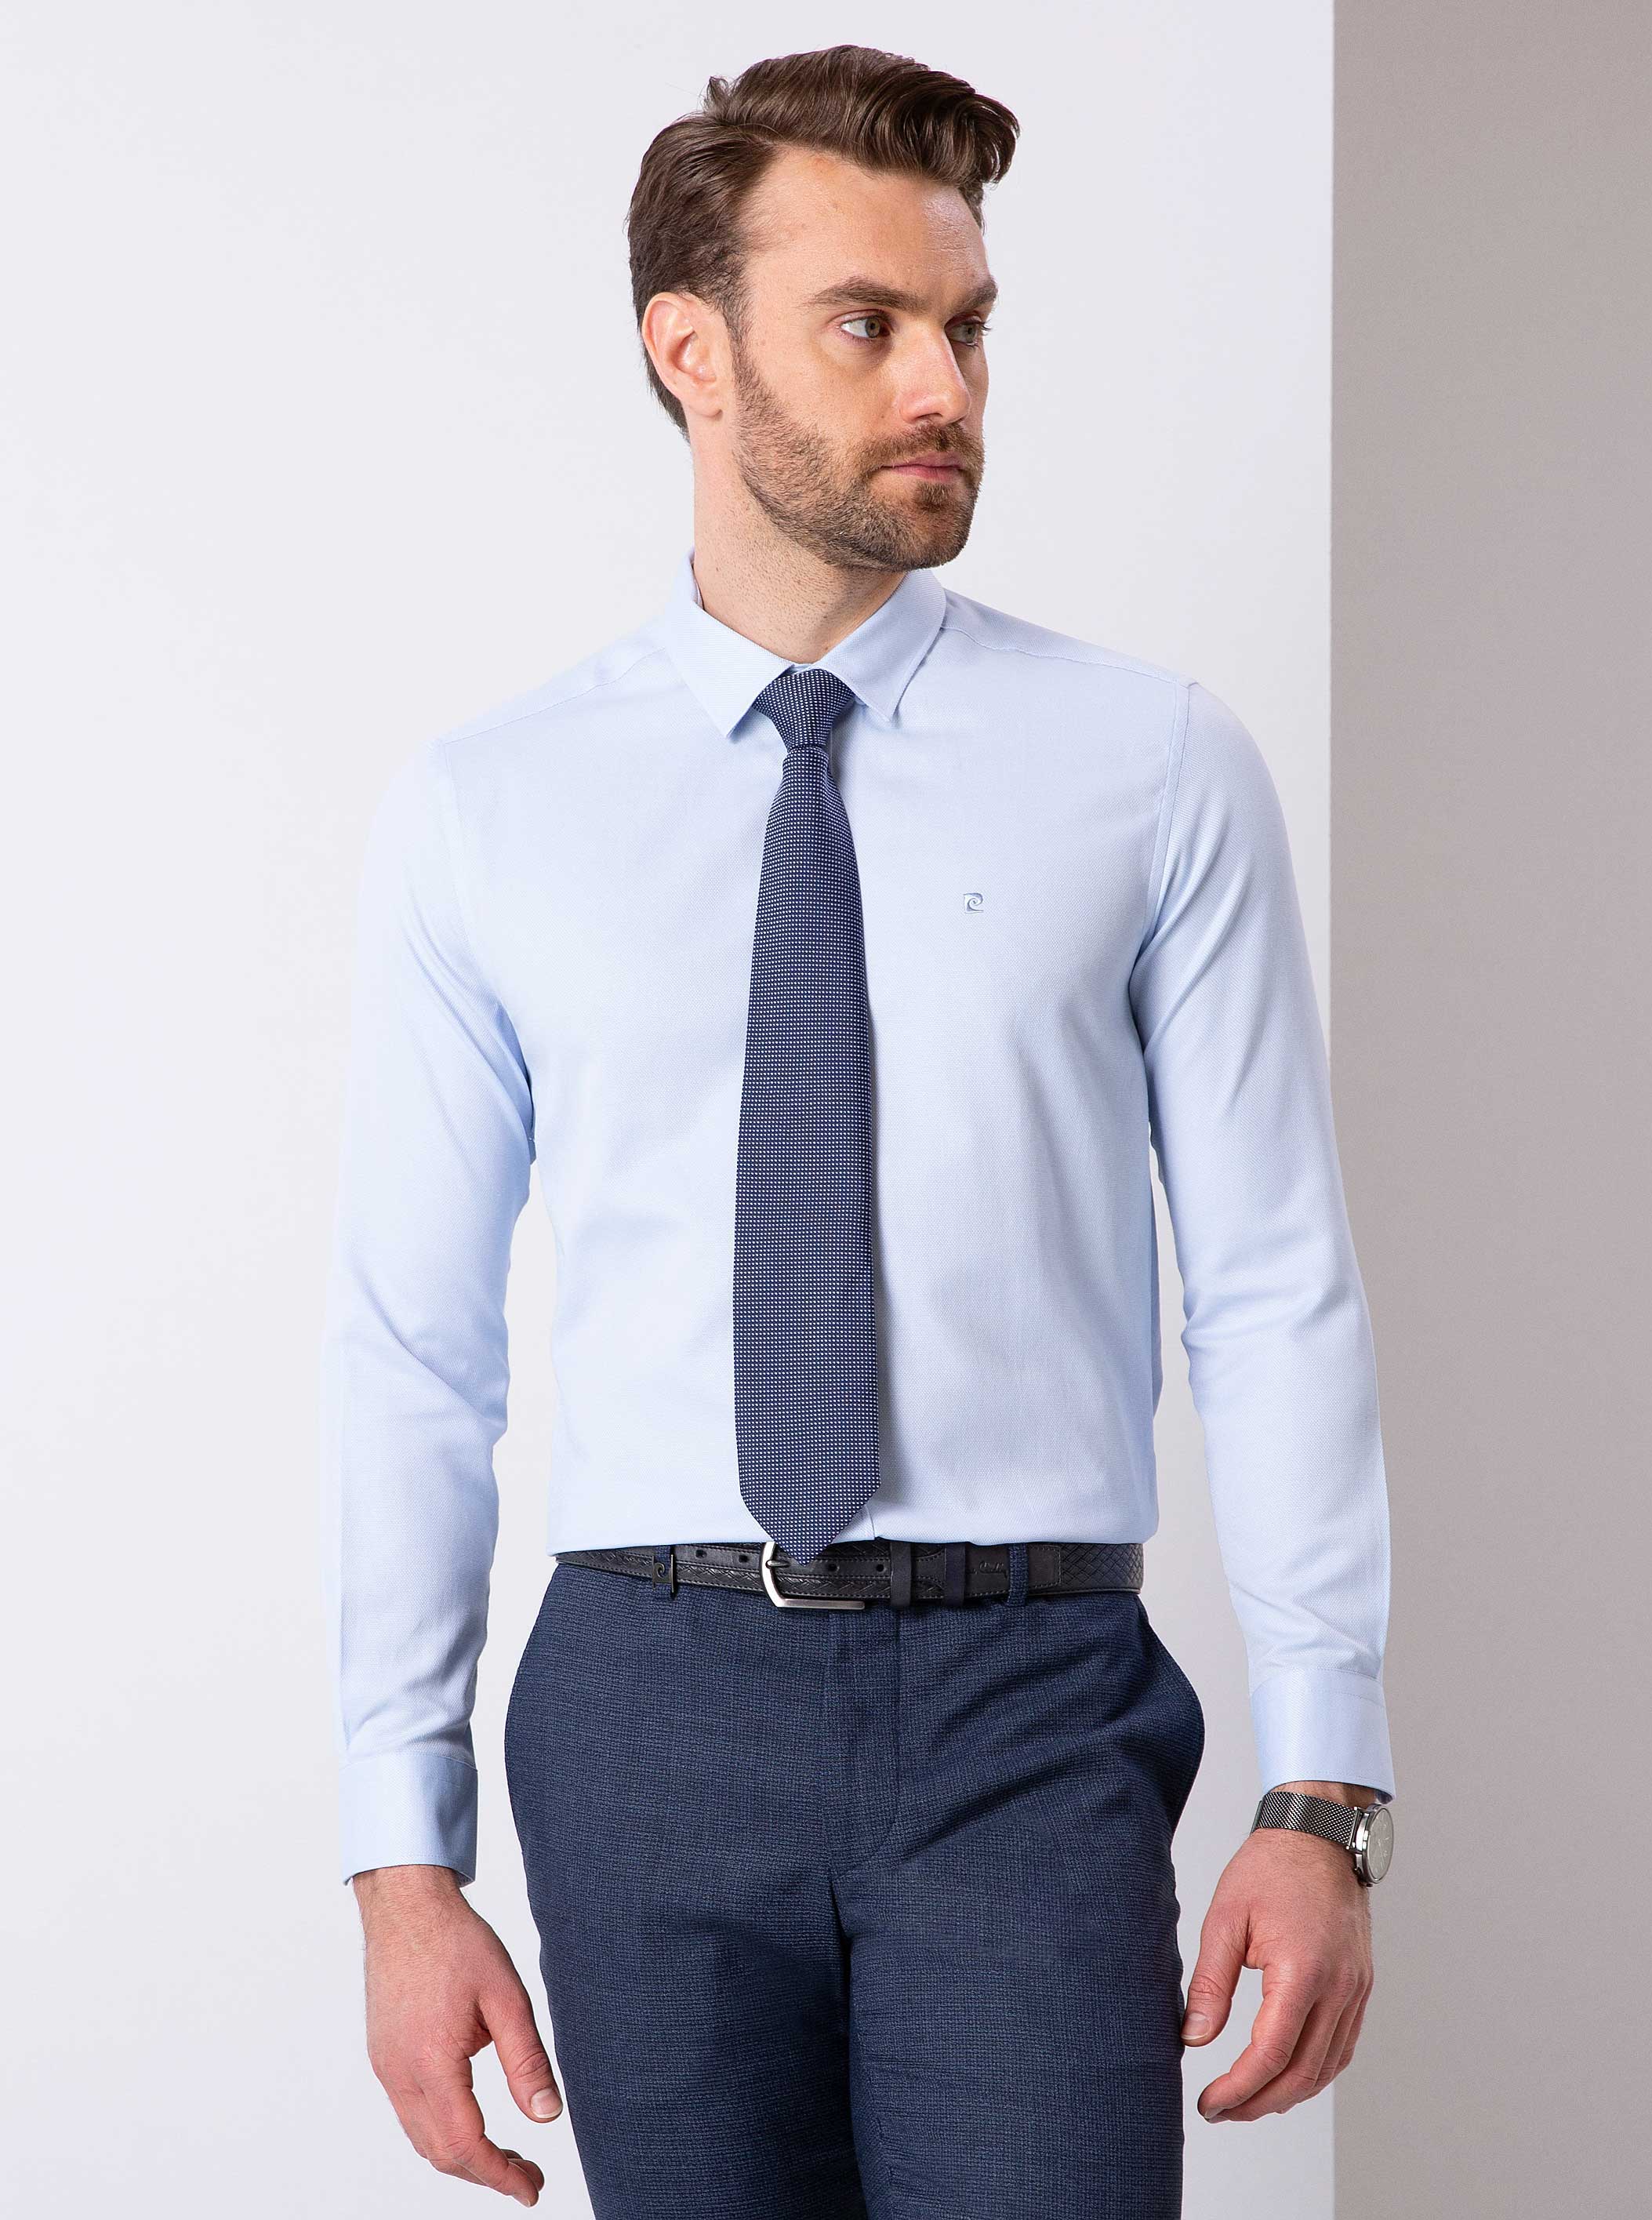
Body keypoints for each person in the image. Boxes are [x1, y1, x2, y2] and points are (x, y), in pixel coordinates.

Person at [320, 42, 1396, 2218]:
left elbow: (1275, 1283)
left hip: (1029, 1708)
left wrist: (1325, 1786)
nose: (944, 385)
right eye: (868, 325)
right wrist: (397, 1858)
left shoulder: (1151, 767)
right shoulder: (490, 808)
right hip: (645, 1706)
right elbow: (413, 1350)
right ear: (689, 354)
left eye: (968, 326)